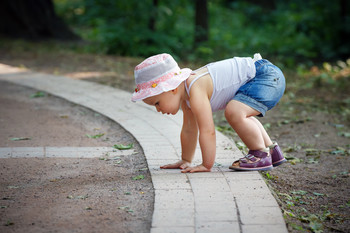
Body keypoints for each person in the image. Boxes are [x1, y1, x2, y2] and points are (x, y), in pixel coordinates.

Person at [131, 53, 286, 173]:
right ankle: (272, 151)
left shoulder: (195, 88)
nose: (158, 110)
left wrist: (206, 164)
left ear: (172, 88)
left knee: (235, 112)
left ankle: (260, 155)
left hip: (264, 76)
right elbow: (189, 130)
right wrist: (185, 160)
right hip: (263, 76)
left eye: (157, 103)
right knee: (239, 111)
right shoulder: (186, 97)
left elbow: (207, 130)